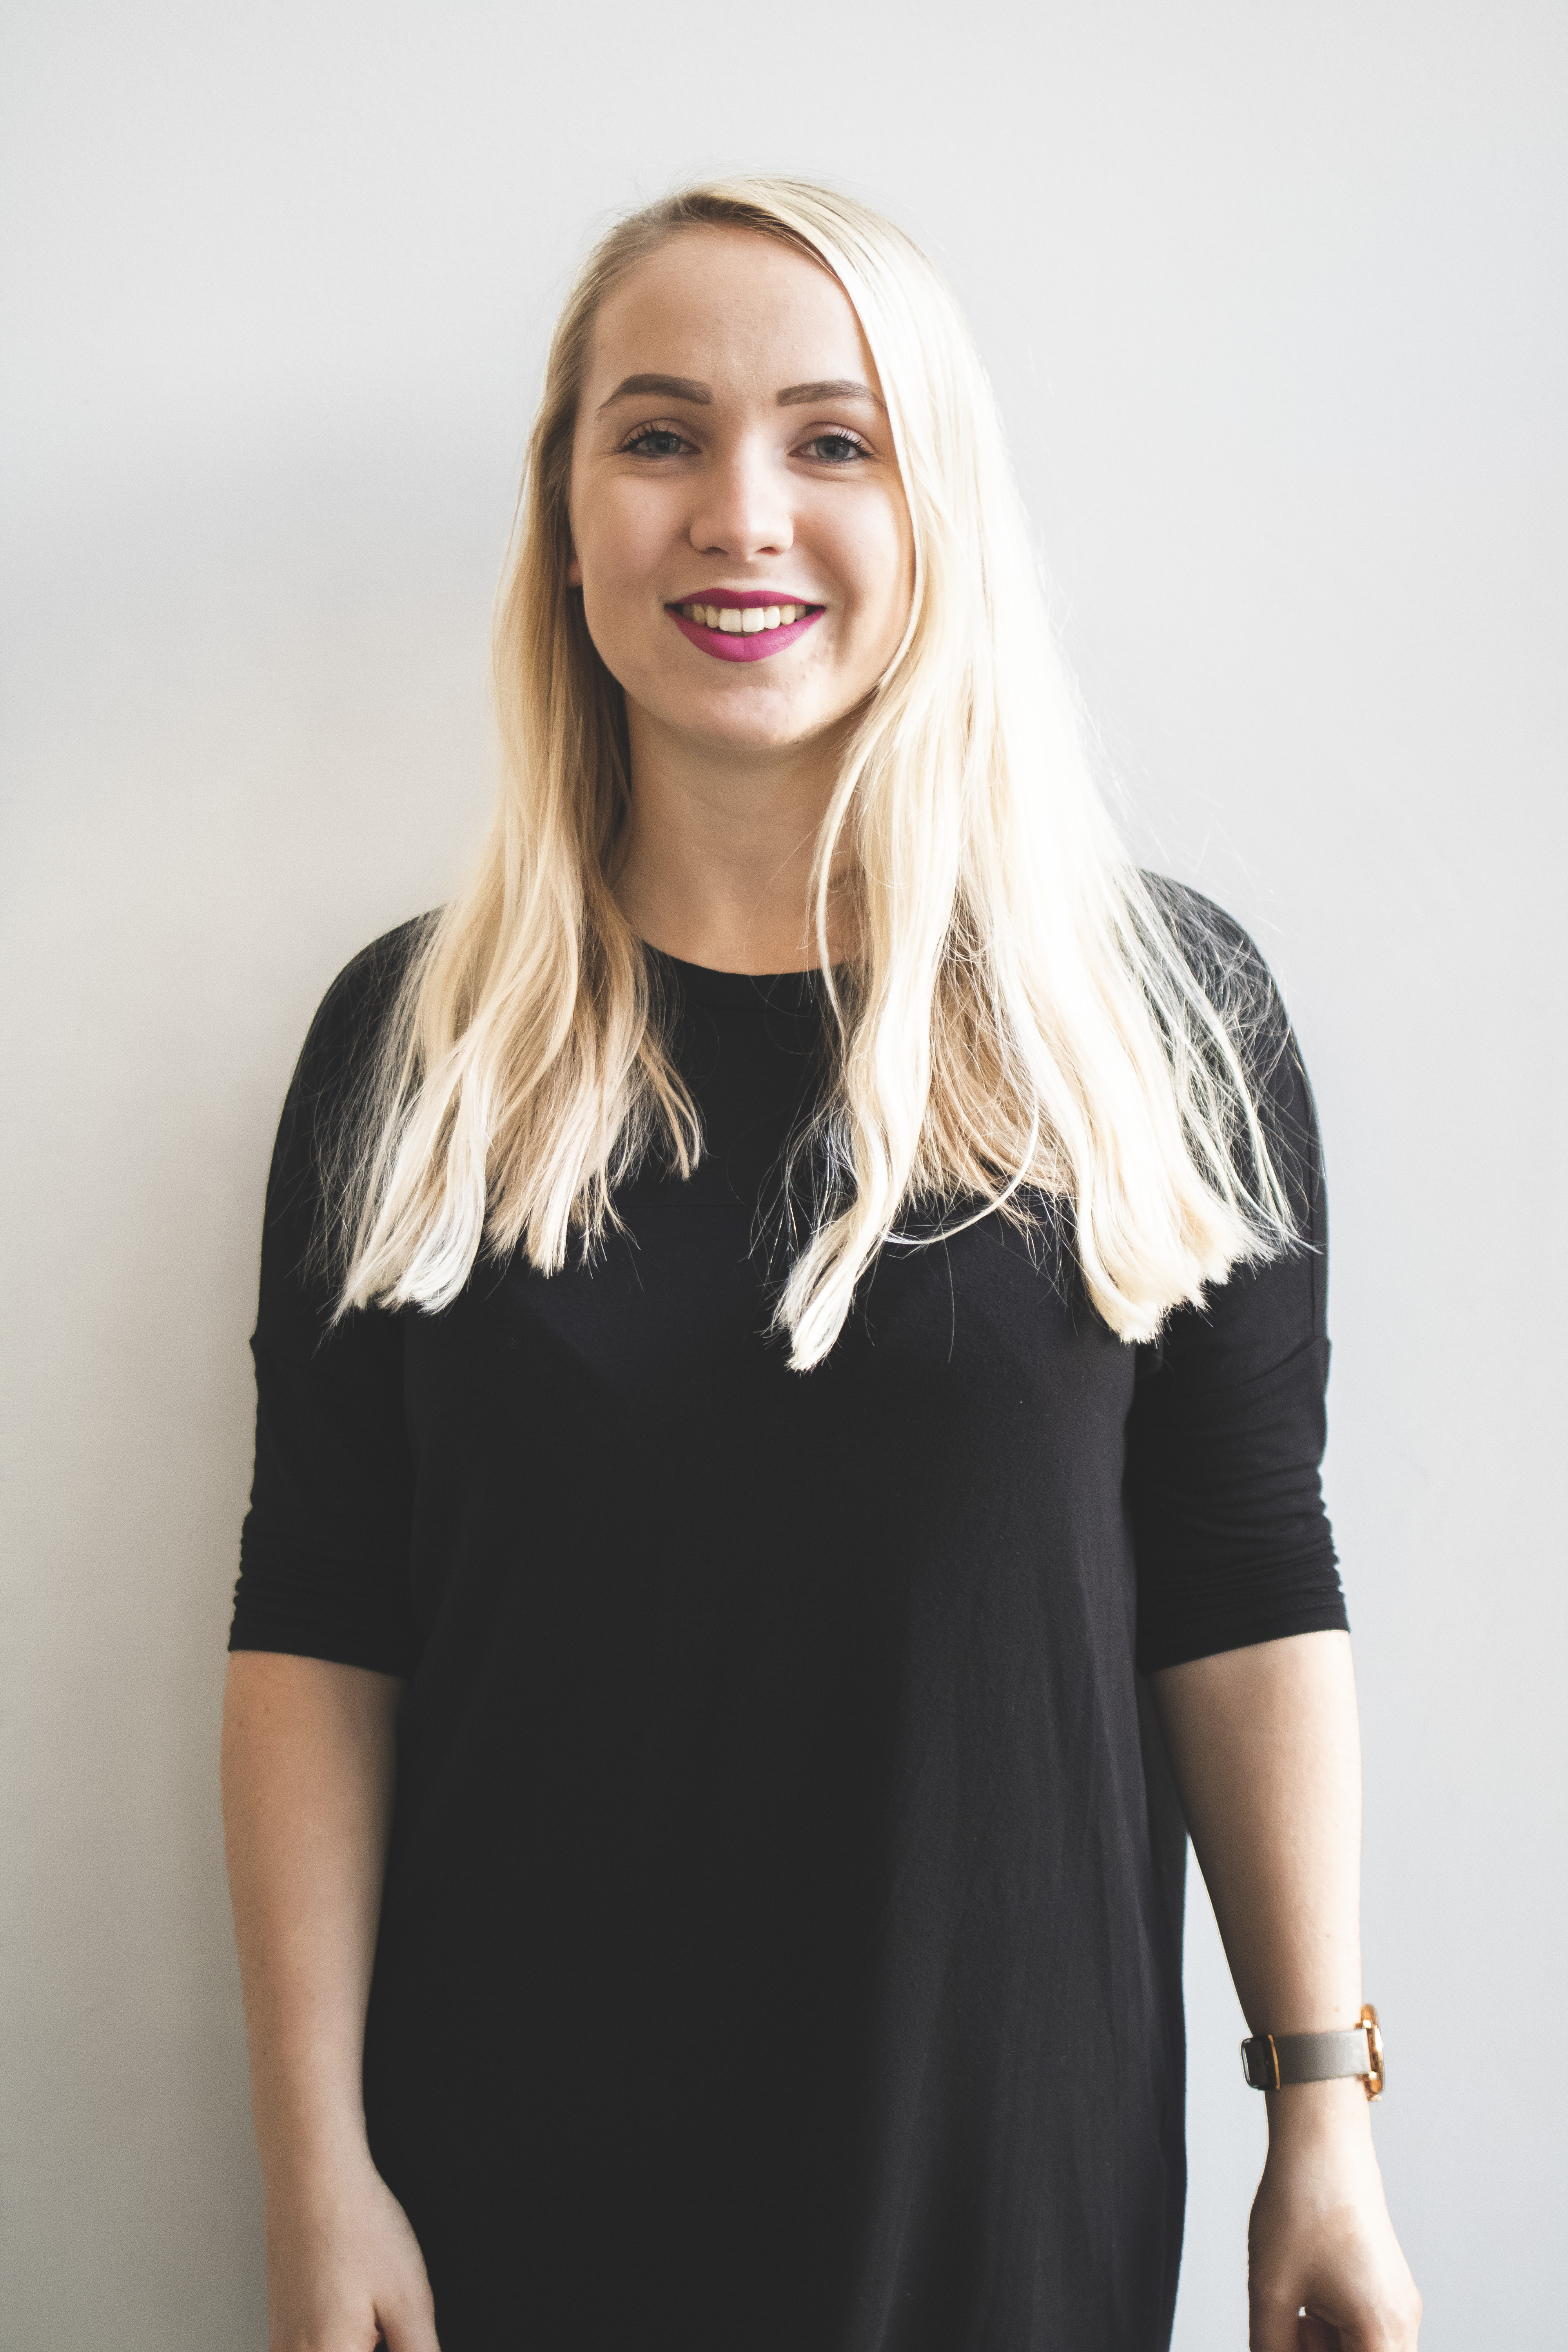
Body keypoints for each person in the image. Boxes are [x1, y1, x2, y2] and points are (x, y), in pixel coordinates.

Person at [220, 178, 1422, 2352]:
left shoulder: (1147, 1017)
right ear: (568, 521)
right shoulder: (411, 1047)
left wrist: (1321, 2123)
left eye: (833, 441)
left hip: (1005, 2178)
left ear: (933, 511)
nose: (739, 513)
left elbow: (1246, 1575)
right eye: (658, 435)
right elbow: (321, 1615)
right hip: (509, 2185)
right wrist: (317, 2173)